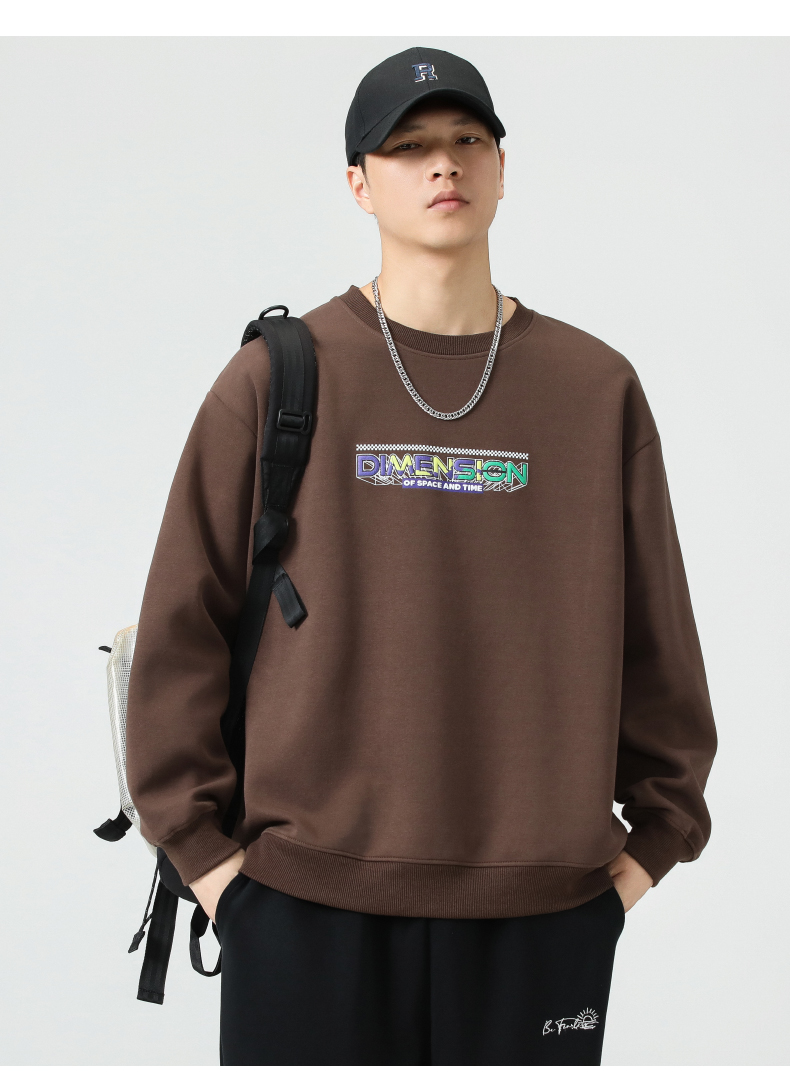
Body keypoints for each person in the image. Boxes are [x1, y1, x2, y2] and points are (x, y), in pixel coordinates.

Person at [125, 46, 717, 1065]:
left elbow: (658, 644)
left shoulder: (594, 389)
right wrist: (214, 871)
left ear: (501, 169)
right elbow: (184, 630)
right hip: (304, 909)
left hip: (543, 919)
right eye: (407, 148)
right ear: (359, 182)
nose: (443, 164)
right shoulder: (273, 381)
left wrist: (641, 859)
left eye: (467, 140)